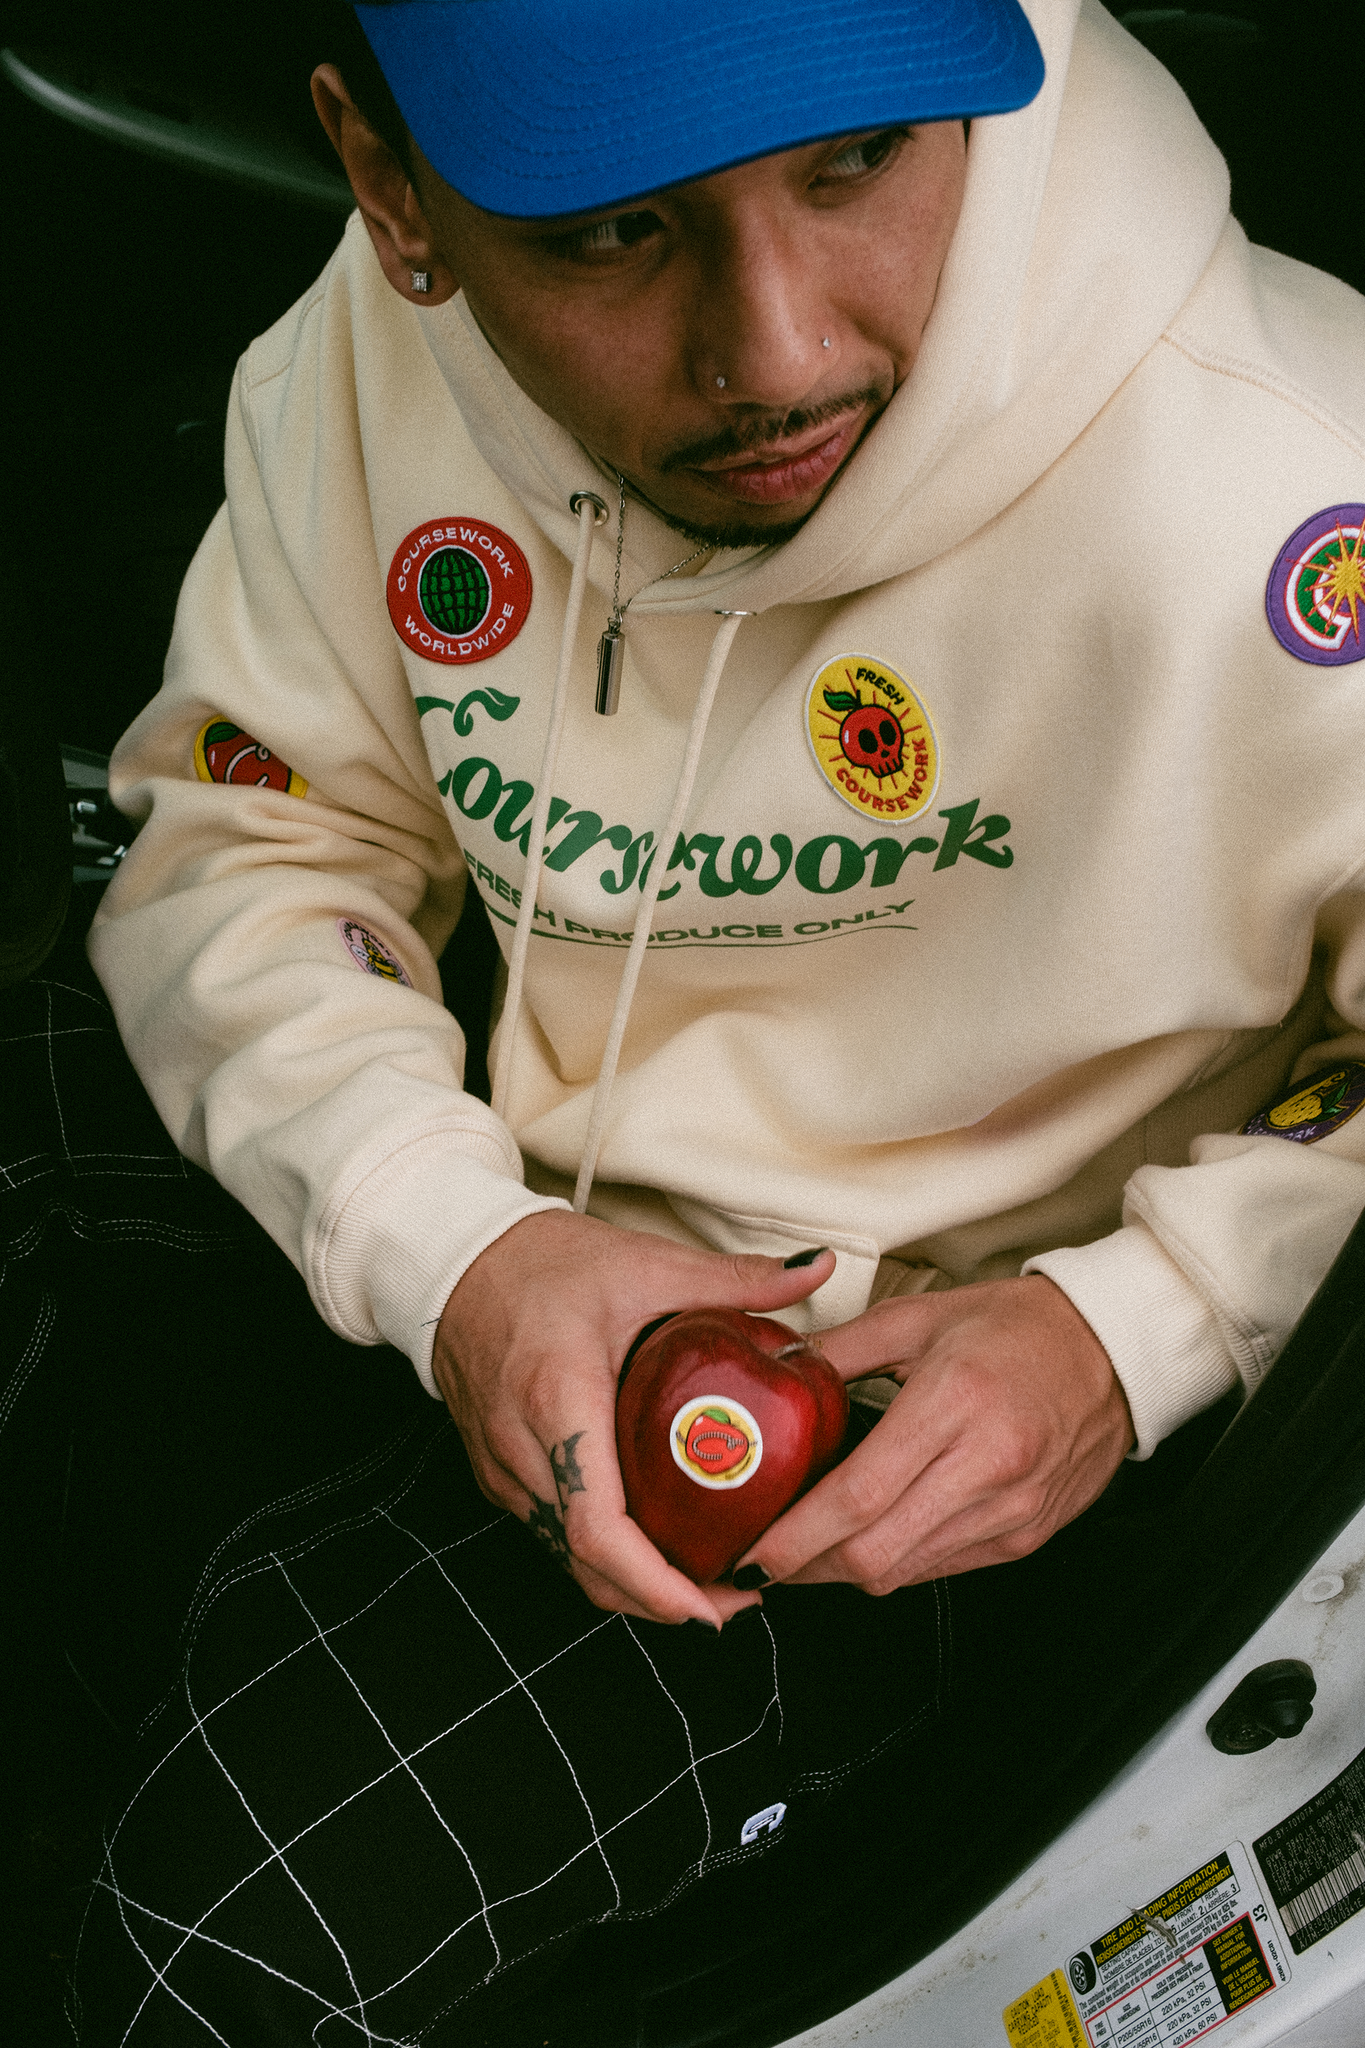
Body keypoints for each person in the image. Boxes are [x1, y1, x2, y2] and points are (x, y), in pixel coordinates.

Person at [64, 0, 1365, 2034]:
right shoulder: (359, 352)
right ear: (390, 184)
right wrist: (456, 1243)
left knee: (213, 1944)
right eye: (611, 229)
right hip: (469, 1164)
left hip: (894, 1459)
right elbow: (256, 832)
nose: (778, 350)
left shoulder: (1302, 483)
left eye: (853, 162)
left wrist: (1144, 1323)